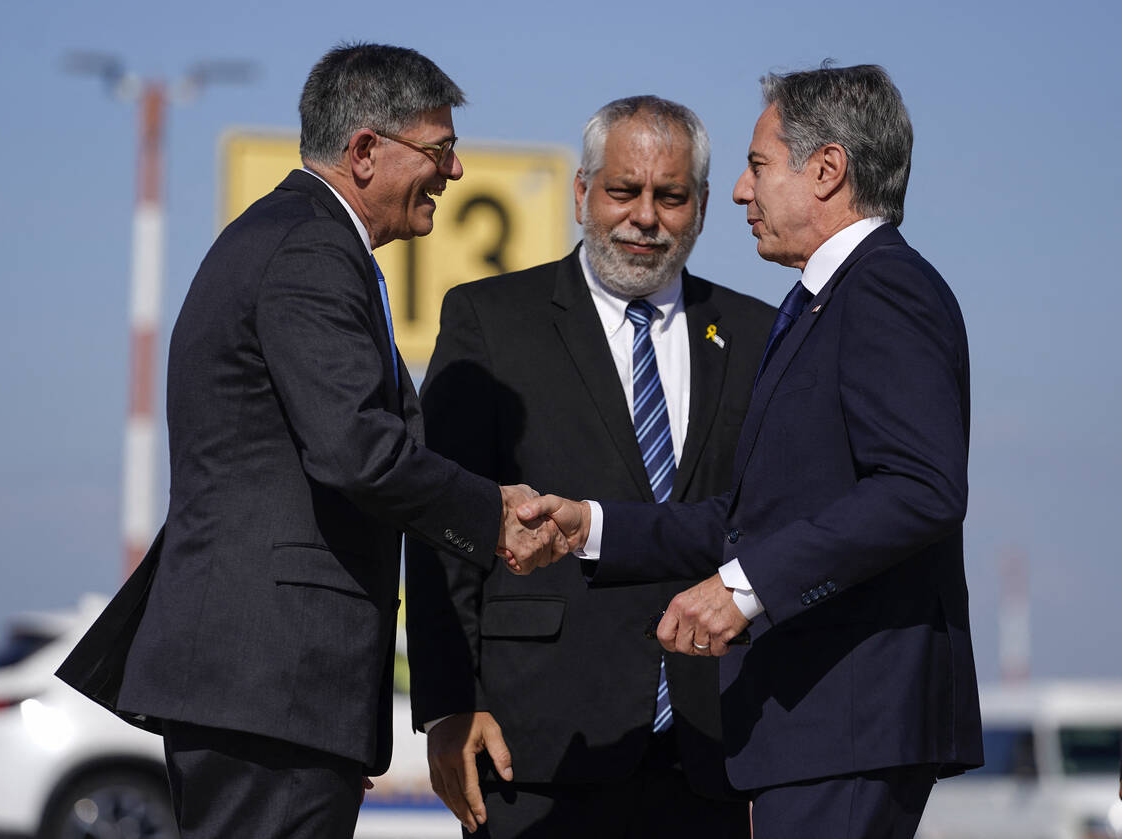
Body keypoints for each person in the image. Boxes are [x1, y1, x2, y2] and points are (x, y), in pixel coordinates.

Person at [56, 43, 560, 839]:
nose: (455, 172)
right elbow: (357, 449)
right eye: (440, 149)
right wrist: (492, 513)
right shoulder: (311, 250)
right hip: (270, 684)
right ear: (365, 151)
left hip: (276, 691)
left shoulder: (293, 239)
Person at [518, 65, 984, 838]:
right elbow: (752, 519)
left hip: (852, 719)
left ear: (828, 170)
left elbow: (921, 488)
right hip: (814, 728)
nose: (739, 190)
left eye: (759, 165)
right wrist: (591, 527)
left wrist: (744, 587)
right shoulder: (812, 307)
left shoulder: (883, 290)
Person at [405, 96, 775, 837]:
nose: (645, 217)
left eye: (670, 197)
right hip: (534, 743)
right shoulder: (489, 319)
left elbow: (767, 521)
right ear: (582, 193)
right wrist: (448, 704)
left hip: (711, 750)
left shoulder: (761, 333)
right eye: (623, 191)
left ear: (700, 206)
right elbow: (442, 520)